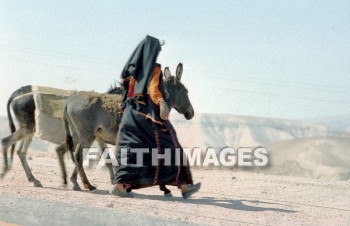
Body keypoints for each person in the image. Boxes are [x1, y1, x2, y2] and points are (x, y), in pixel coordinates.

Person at [110, 35, 201, 198]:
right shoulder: (153, 68)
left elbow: (126, 93)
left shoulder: (133, 70)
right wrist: (162, 102)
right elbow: (153, 89)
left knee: (129, 149)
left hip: (130, 114)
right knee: (171, 146)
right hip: (147, 113)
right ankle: (184, 186)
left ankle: (120, 186)